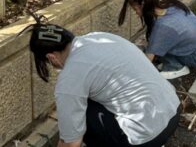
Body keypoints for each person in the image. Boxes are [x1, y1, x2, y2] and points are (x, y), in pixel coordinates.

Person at [29, 23, 181, 147]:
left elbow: (71, 143)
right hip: (173, 112)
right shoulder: (99, 37)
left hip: (147, 138)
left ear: (51, 57)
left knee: (81, 115)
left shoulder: (70, 76)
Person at [118, 0, 196, 80]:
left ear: (143, 4)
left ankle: (175, 67)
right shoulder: (170, 3)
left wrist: (129, 75)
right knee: (157, 44)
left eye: (136, 9)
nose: (136, 13)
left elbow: (147, 61)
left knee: (157, 47)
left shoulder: (163, 27)